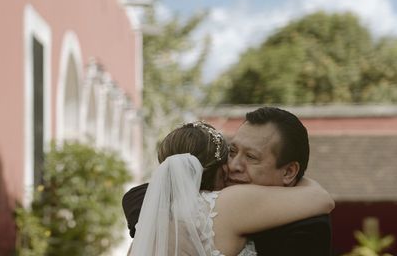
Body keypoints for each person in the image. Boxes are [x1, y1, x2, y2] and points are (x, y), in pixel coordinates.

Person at [123, 107, 333, 255]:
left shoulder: (157, 208)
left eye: (251, 157)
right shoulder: (228, 202)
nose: (233, 165)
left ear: (289, 171)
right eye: (232, 151)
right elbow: (322, 197)